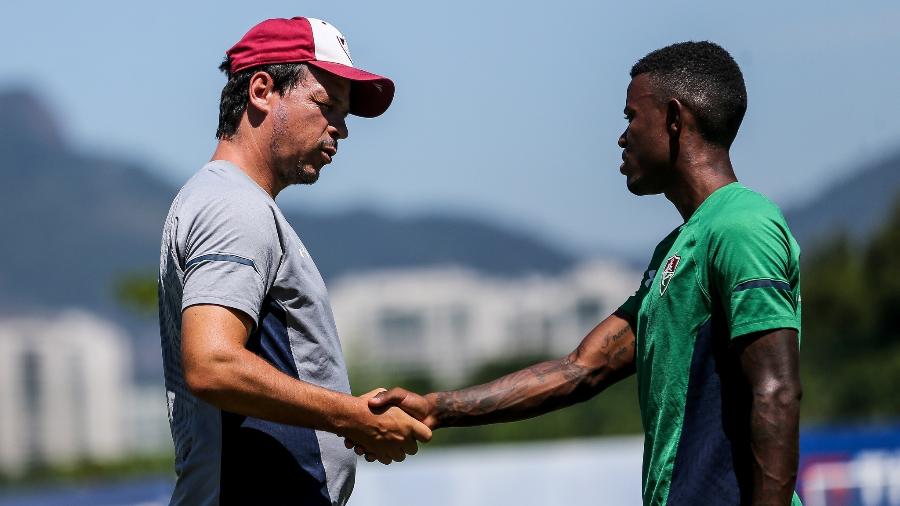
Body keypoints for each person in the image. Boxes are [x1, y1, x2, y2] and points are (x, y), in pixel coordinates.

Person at [364, 41, 804, 505]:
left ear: (675, 119)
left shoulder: (742, 224)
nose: (622, 136)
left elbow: (775, 390)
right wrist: (435, 408)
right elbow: (582, 369)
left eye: (631, 116)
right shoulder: (676, 250)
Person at [158, 17, 431, 506]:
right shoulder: (233, 206)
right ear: (262, 90)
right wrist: (349, 415)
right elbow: (212, 363)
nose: (341, 130)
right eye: (327, 105)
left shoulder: (229, 200)